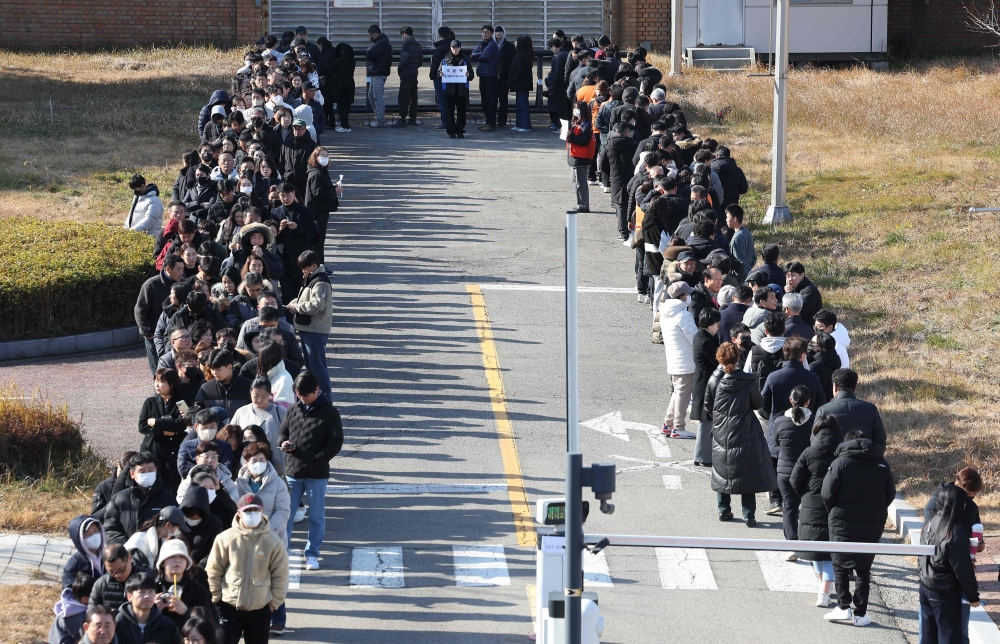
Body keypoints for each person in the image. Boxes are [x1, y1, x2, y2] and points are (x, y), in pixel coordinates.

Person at [821, 429, 896, 627]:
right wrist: (877, 511)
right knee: (863, 567)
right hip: (872, 522)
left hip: (841, 520)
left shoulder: (839, 463)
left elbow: (827, 493)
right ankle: (861, 614)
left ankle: (843, 607)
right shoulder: (881, 463)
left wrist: (834, 510)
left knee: (840, 563)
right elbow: (890, 494)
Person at [279, 371, 344, 570]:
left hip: (316, 473)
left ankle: (312, 554)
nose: (302, 398)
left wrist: (318, 459)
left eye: (305, 395)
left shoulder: (329, 411)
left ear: (317, 390)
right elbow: (283, 431)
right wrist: (283, 443)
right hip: (293, 470)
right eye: (299, 394)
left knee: (316, 516)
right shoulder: (293, 409)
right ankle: (283, 552)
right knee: (286, 515)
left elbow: (336, 441)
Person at [704, 342, 773, 526]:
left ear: (719, 358)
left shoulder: (714, 379)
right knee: (748, 472)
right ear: (738, 358)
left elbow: (708, 405)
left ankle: (723, 510)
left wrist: (719, 417)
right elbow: (757, 404)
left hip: (721, 430)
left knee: (721, 470)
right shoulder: (748, 381)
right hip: (746, 429)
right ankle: (749, 515)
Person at [207, 494, 289, 644]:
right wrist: (216, 598)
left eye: (256, 511)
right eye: (248, 511)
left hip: (261, 608)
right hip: (228, 605)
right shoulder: (224, 538)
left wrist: (274, 603)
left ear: (262, 512)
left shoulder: (273, 542)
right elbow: (213, 569)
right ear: (239, 513)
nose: (252, 514)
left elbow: (281, 574)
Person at [790, 415, 843, 608]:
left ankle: (823, 589)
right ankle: (824, 589)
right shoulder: (842, 452)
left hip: (811, 505)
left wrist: (806, 494)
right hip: (836, 507)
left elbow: (795, 479)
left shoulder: (809, 452)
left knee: (816, 550)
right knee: (830, 551)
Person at [919, 484, 981, 644]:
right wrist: (973, 596)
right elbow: (963, 569)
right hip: (944, 590)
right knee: (949, 636)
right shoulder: (954, 532)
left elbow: (922, 554)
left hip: (925, 585)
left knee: (928, 635)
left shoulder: (930, 523)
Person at [285, 251, 333, 401]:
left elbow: (317, 305)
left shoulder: (320, 282)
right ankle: (316, 395)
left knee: (317, 367)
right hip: (308, 329)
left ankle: (325, 397)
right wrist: (295, 302)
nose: (303, 271)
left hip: (315, 330)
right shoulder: (311, 278)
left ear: (313, 265)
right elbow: (308, 298)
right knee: (312, 367)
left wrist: (298, 307)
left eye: (305, 268)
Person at [771, 385, 814, 546]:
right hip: (809, 471)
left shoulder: (780, 422)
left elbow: (775, 442)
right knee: (809, 506)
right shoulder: (815, 421)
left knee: (789, 506)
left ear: (790, 400)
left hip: (785, 471)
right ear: (808, 402)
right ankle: (808, 540)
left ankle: (792, 542)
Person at [103, 453, 176, 544]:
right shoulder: (119, 499)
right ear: (132, 474)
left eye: (150, 470)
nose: (147, 474)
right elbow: (110, 529)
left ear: (156, 470)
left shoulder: (167, 499)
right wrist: (129, 546)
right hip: (128, 554)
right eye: (142, 471)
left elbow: (175, 527)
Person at [138, 369, 187, 493]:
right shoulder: (150, 402)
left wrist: (156, 422)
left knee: (172, 484)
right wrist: (164, 432)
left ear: (171, 384)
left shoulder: (182, 403)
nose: (156, 385)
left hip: (173, 451)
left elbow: (181, 425)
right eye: (155, 381)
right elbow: (142, 426)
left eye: (160, 381)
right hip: (153, 448)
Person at [138, 255, 186, 375]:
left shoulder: (183, 284)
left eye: (182, 269)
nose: (181, 272)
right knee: (159, 372)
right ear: (168, 269)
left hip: (176, 336)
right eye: (178, 269)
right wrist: (148, 332)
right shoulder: (151, 285)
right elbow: (140, 310)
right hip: (155, 334)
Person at [660, 282, 697, 439]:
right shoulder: (683, 315)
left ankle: (668, 424)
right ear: (682, 297)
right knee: (683, 394)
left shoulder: (665, 312)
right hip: (686, 361)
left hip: (674, 359)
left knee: (677, 392)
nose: (689, 296)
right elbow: (695, 338)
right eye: (687, 294)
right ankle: (679, 427)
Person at [815, 368, 886, 447]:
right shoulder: (871, 409)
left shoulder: (823, 410)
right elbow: (880, 440)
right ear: (855, 388)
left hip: (835, 458)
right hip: (864, 457)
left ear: (834, 386)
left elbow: (816, 442)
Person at [154, 539, 216, 630]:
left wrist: (187, 612)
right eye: (172, 556)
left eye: (182, 557)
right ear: (162, 562)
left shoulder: (198, 590)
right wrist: (152, 610)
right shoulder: (152, 587)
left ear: (187, 562)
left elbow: (211, 621)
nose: (177, 560)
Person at [232, 378, 289, 475]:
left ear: (270, 394)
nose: (259, 400)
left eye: (264, 396)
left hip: (276, 465)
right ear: (250, 393)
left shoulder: (280, 412)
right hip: (247, 465)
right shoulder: (241, 412)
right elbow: (232, 435)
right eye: (256, 396)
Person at [691, 308, 722, 465]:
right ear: (710, 324)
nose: (718, 326)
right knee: (706, 420)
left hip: (703, 381)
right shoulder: (706, 341)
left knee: (707, 419)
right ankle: (702, 456)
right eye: (717, 323)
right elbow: (717, 360)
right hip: (705, 383)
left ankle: (703, 456)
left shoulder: (703, 336)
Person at [114, 572, 180, 644]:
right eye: (142, 592)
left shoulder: (167, 625)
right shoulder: (118, 624)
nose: (147, 596)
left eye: (151, 592)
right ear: (129, 596)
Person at [89, 545, 153, 616]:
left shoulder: (148, 578)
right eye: (111, 571)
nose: (117, 575)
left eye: (121, 570)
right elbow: (91, 614)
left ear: (129, 558)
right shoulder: (101, 584)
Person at [599, 121, 637, 239]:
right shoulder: (634, 145)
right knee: (632, 202)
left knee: (620, 205)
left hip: (616, 177)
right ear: (626, 132)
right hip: (631, 176)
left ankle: (623, 232)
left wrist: (610, 174)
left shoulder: (609, 145)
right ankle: (633, 229)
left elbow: (602, 164)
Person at [122, 505, 190, 570]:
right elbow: (140, 570)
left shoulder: (161, 541)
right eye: (177, 529)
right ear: (168, 525)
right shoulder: (139, 541)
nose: (178, 532)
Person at [304, 148, 340, 266]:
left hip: (320, 212)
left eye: (326, 155)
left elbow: (321, 187)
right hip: (317, 212)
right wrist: (335, 191)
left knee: (319, 240)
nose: (324, 158)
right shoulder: (317, 173)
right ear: (315, 157)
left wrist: (334, 186)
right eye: (321, 155)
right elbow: (318, 193)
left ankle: (319, 265)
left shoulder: (321, 171)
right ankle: (317, 266)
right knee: (318, 241)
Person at [195, 350, 253, 419]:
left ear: (229, 367)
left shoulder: (248, 386)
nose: (214, 373)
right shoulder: (206, 389)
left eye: (218, 370)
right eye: (212, 369)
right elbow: (197, 414)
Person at [177, 410, 234, 478]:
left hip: (218, 486)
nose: (208, 430)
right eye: (204, 427)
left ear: (217, 426)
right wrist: (213, 467)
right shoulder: (186, 446)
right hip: (193, 485)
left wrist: (197, 468)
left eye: (211, 427)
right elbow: (183, 469)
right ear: (196, 427)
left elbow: (226, 470)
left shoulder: (225, 446)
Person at [178, 485, 223, 567]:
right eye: (190, 516)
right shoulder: (177, 521)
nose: (193, 519)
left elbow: (214, 551)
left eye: (197, 517)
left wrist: (199, 569)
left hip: (203, 571)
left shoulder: (214, 524)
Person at [439, 40, 474, 139]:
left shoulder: (465, 60)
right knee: (449, 112)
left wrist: (468, 74)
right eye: (453, 47)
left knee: (461, 111)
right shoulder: (444, 60)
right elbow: (438, 73)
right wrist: (440, 74)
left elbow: (471, 75)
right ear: (450, 48)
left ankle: (460, 130)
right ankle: (451, 131)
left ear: (460, 48)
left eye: (457, 47)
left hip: (461, 90)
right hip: (448, 90)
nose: (455, 49)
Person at [566, 100, 595, 214]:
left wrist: (571, 136)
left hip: (580, 157)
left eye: (577, 108)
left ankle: (583, 205)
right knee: (576, 182)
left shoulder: (586, 125)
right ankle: (580, 203)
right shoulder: (578, 123)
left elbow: (583, 141)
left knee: (580, 182)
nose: (575, 111)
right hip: (575, 157)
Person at [50, 572, 95, 644]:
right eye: (95, 595)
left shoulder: (66, 606)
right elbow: (86, 639)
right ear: (85, 599)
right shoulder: (80, 616)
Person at [64, 516, 106, 589]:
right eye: (88, 534)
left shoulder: (109, 555)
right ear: (80, 539)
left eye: (95, 530)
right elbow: (69, 593)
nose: (94, 536)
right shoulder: (74, 564)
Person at [471, 25, 499, 131]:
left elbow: (483, 57)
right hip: (482, 75)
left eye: (487, 32)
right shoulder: (481, 44)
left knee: (490, 101)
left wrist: (483, 56)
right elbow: (473, 55)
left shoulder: (492, 44)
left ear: (491, 34)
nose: (484, 34)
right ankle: (488, 122)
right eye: (483, 32)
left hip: (490, 76)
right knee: (484, 101)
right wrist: (482, 55)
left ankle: (491, 124)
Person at [394, 26, 423, 127]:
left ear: (404, 34)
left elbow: (404, 59)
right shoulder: (417, 44)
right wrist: (414, 66)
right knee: (413, 96)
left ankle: (402, 118)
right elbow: (420, 60)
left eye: (402, 35)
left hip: (406, 73)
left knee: (403, 97)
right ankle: (412, 118)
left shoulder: (406, 44)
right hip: (414, 73)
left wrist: (400, 69)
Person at [506, 36, 534, 133]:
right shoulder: (525, 54)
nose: (514, 43)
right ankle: (520, 124)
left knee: (522, 105)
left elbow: (518, 72)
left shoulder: (520, 56)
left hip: (521, 84)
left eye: (516, 41)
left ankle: (525, 125)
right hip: (523, 84)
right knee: (520, 105)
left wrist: (510, 82)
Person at [365, 25, 392, 128]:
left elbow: (370, 53)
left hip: (379, 72)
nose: (370, 37)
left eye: (370, 35)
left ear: (375, 34)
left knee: (377, 96)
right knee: (371, 95)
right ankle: (378, 117)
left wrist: (369, 49)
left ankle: (380, 120)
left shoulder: (381, 42)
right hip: (377, 72)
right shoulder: (382, 42)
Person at [327, 43, 356, 133]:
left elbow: (329, 69)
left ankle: (344, 125)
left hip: (340, 85)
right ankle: (345, 125)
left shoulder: (339, 60)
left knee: (341, 106)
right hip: (350, 84)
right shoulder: (352, 61)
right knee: (347, 106)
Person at [807, 331, 842, 402]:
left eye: (813, 343)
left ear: (821, 347)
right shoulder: (834, 360)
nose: (810, 344)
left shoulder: (814, 366)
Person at [784, 261, 823, 327]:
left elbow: (795, 311)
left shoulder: (809, 291)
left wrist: (788, 293)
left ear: (802, 275)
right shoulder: (794, 288)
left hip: (808, 328)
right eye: (788, 276)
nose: (790, 279)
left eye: (793, 275)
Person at [494, 26, 516, 128]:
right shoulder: (491, 44)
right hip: (492, 76)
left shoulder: (509, 46)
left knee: (503, 100)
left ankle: (502, 121)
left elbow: (512, 61)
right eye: (497, 32)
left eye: (500, 32)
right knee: (492, 99)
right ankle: (491, 120)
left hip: (504, 77)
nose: (498, 34)